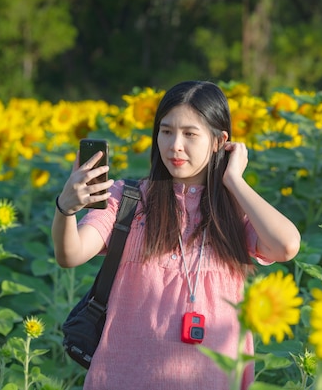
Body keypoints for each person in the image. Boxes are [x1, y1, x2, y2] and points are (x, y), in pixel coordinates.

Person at [52, 80, 301, 390]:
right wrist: (66, 209)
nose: (175, 146)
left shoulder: (233, 214)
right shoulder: (128, 199)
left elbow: (287, 245)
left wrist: (234, 180)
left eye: (190, 134)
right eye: (166, 131)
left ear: (218, 141)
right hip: (124, 378)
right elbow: (70, 254)